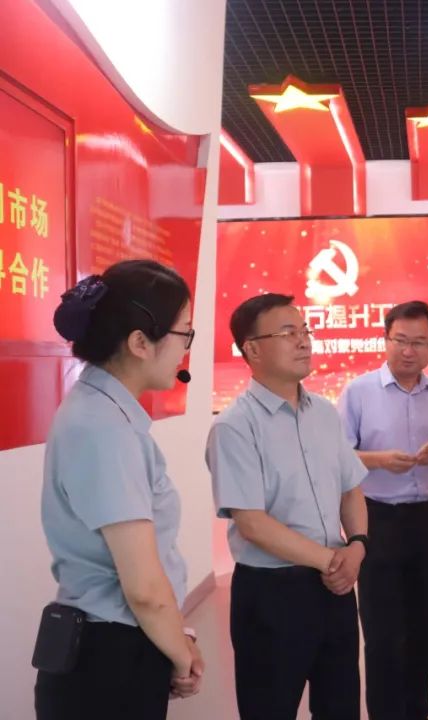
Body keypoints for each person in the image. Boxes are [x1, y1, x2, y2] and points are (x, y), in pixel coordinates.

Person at [36, 260, 202, 719]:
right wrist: (183, 656)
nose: (186, 349)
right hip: (108, 658)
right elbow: (143, 588)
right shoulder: (103, 429)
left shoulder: (102, 413)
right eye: (184, 333)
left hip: (114, 646)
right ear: (139, 343)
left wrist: (175, 638)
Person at [206, 293, 368, 720]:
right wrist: (333, 561)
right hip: (271, 595)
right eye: (287, 333)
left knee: (341, 707)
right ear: (252, 349)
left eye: (305, 331)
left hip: (334, 588)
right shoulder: (234, 427)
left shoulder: (325, 414)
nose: (303, 341)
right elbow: (252, 523)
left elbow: (350, 488)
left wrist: (357, 545)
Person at [337, 300, 428, 720]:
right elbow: (337, 456)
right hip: (375, 518)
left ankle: (417, 708)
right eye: (401, 340)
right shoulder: (358, 392)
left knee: (420, 621)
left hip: (426, 520)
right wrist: (377, 460)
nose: (409, 351)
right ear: (385, 339)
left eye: (420, 342)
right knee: (381, 631)